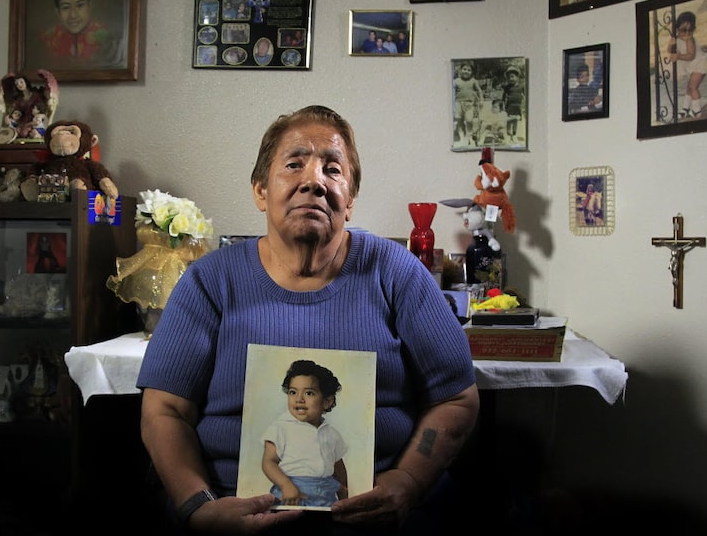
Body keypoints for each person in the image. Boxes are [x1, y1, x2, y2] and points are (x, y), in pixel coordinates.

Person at [137, 105, 479, 535]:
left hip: (377, 518)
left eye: (332, 169)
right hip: (229, 515)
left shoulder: (398, 274)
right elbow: (164, 410)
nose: (314, 181)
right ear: (261, 190)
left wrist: (407, 483)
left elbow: (457, 399)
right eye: (294, 164)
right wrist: (199, 507)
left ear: (350, 200)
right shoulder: (210, 280)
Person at [262, 360, 348, 508]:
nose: (299, 399)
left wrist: (344, 493)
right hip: (291, 493)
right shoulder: (281, 428)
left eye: (309, 393)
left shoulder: (331, 433)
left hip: (324, 494)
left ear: (327, 401)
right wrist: (286, 485)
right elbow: (268, 462)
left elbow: (337, 464)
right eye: (293, 392)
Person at [39, 0, 121, 68]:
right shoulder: (48, 40)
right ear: (57, 12)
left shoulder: (105, 38)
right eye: (65, 7)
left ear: (89, 6)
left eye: (80, 5)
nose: (73, 15)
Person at [667, 11, 707, 119]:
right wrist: (671, 45)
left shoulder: (690, 40)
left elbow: (691, 56)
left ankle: (697, 110)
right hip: (691, 66)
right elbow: (670, 50)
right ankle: (685, 108)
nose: (686, 33)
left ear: (694, 29)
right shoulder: (677, 38)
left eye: (690, 30)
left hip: (699, 64)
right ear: (677, 29)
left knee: (693, 87)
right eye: (683, 30)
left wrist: (679, 57)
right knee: (689, 87)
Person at [453, 63, 483, 147]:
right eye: (464, 69)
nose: (466, 71)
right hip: (458, 103)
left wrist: (481, 100)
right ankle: (462, 137)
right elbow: (451, 92)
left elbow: (479, 91)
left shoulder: (474, 81)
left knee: (469, 120)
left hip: (469, 103)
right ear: (460, 70)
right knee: (459, 120)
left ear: (472, 72)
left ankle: (468, 137)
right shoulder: (456, 81)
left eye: (469, 70)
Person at [502, 65, 525, 143]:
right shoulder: (507, 87)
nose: (510, 79)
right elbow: (504, 96)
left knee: (515, 121)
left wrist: (524, 104)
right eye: (509, 77)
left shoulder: (521, 87)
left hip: (517, 107)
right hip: (509, 107)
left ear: (517, 77)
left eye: (512, 76)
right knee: (509, 121)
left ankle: (514, 135)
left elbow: (525, 96)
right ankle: (509, 135)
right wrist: (502, 105)